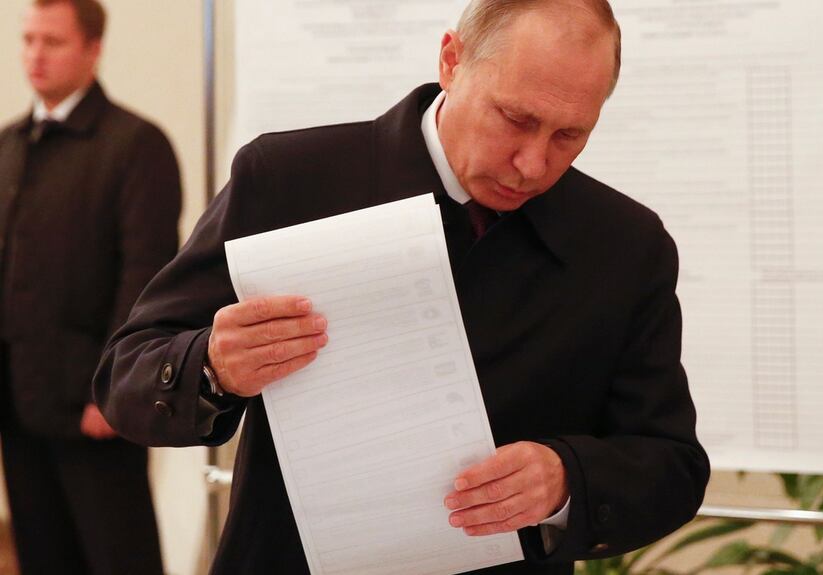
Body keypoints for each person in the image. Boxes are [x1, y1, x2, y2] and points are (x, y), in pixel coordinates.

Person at [95, 0, 709, 573]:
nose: (533, 163)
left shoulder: (627, 246)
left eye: (569, 135)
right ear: (451, 61)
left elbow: (672, 464)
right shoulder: (287, 179)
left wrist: (567, 478)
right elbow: (127, 378)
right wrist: (212, 365)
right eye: (515, 119)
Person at [0, 0, 180, 573]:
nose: (34, 55)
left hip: (93, 406)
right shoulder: (8, 145)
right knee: (42, 556)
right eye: (28, 40)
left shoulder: (135, 144)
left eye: (52, 42)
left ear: (93, 50)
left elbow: (146, 279)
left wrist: (110, 391)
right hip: (18, 400)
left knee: (116, 559)